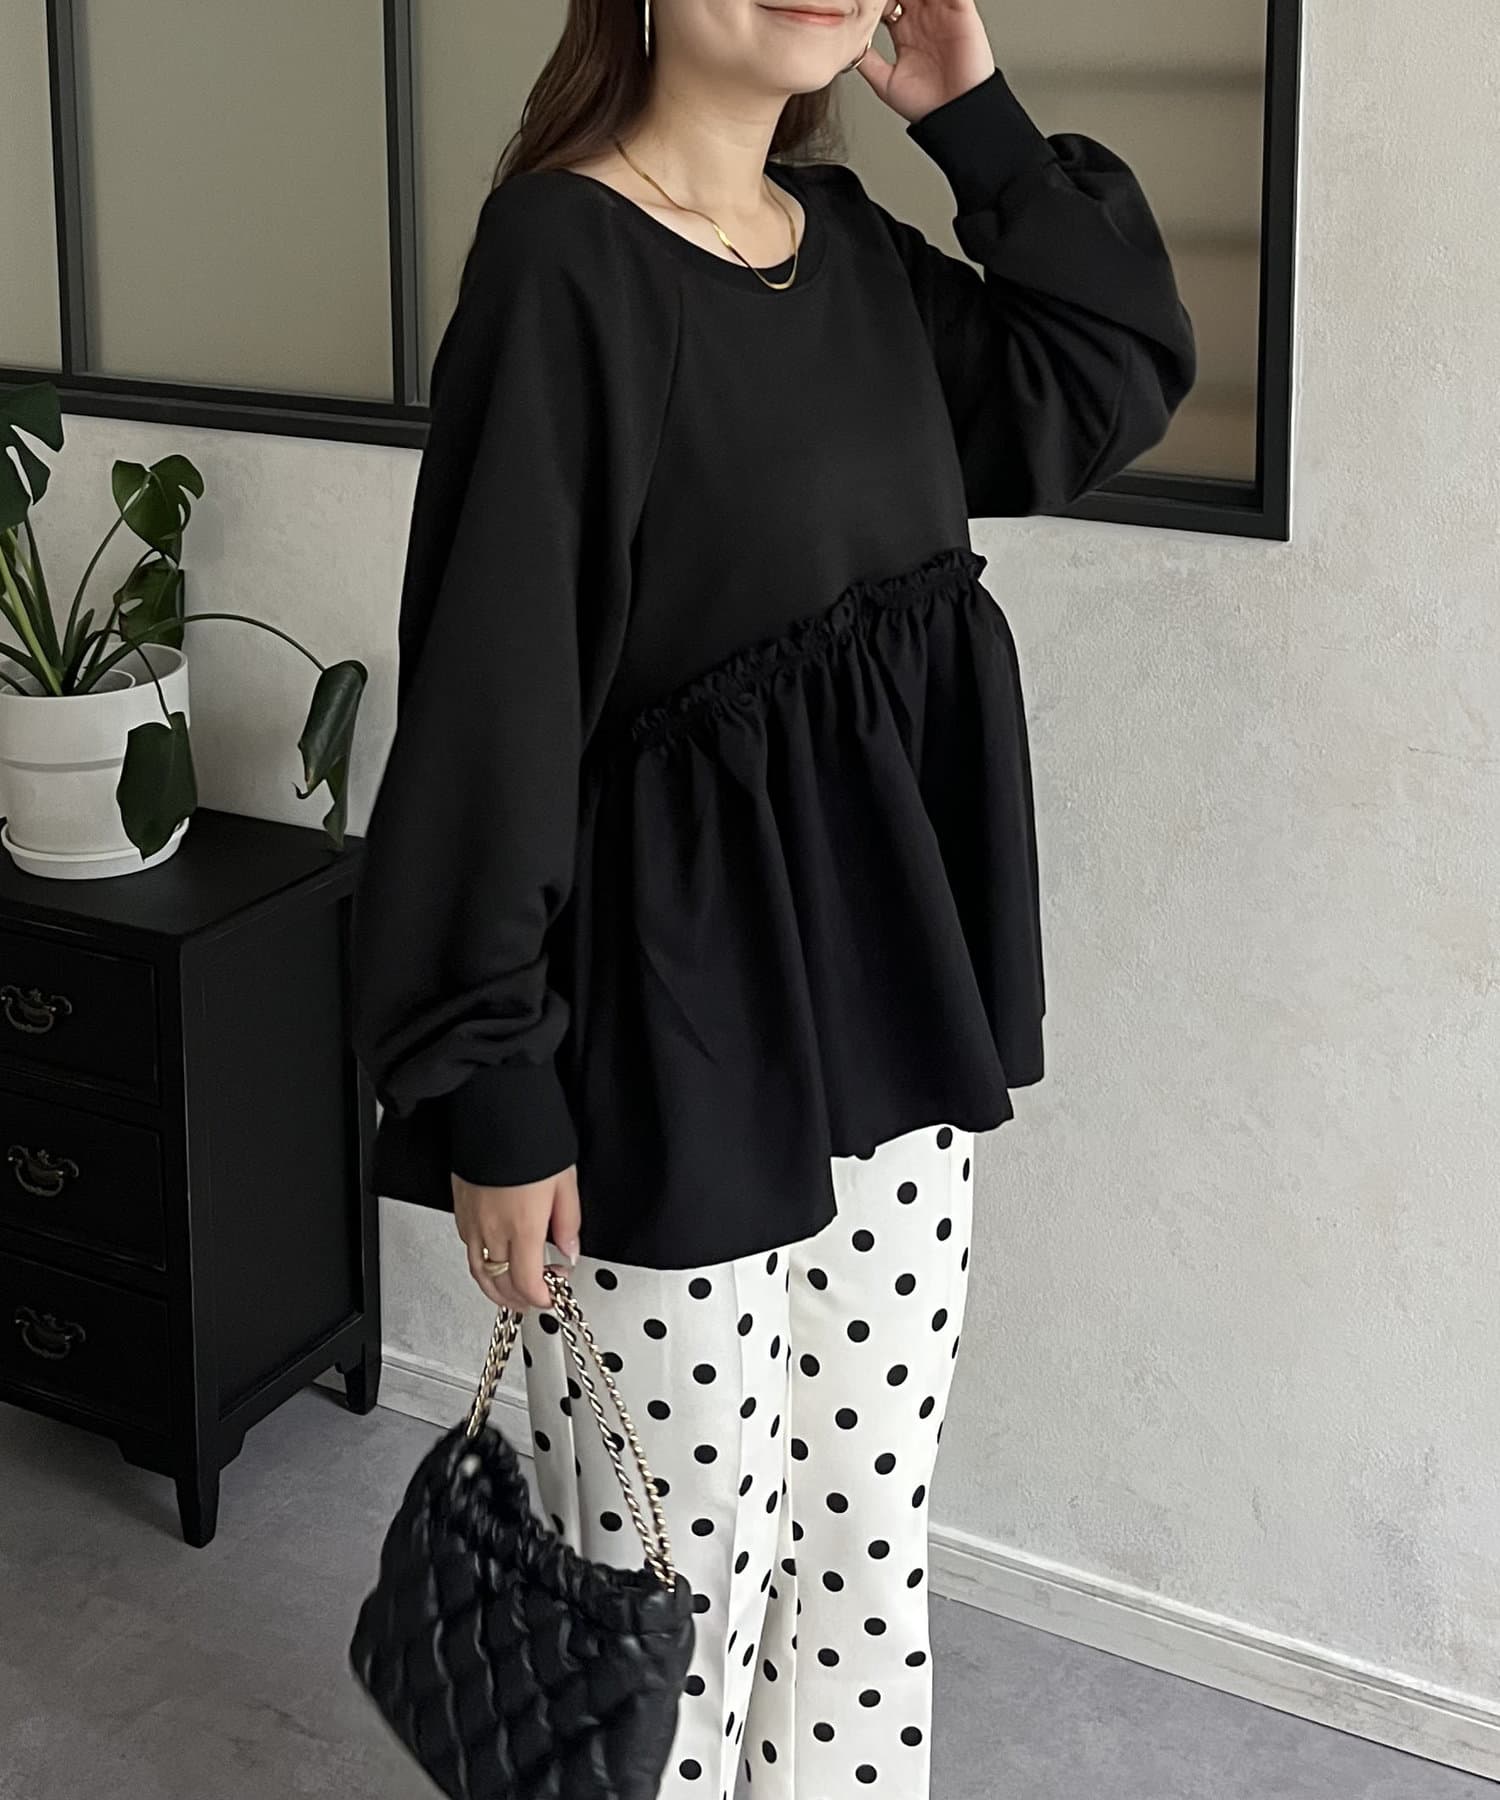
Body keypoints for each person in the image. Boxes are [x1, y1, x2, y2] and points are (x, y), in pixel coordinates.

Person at [350, 1, 1196, 1793]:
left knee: (865, 1549)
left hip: (885, 1026)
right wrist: (491, 1083)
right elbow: (495, 697)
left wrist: (975, 120)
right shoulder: (565, 262)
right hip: (670, 1055)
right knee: (675, 1600)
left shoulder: (851, 255)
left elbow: (1108, 377)